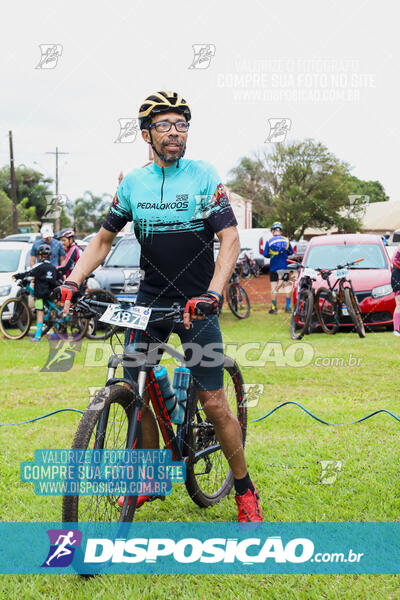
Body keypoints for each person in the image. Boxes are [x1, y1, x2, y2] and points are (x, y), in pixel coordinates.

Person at [55, 91, 262, 522]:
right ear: (146, 133)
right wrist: (74, 279)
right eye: (165, 125)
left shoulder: (203, 175)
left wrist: (213, 293)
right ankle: (149, 478)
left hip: (196, 301)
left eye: (182, 125)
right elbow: (104, 240)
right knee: (137, 391)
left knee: (214, 401)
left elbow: (229, 238)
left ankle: (244, 489)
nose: (175, 133)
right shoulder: (133, 183)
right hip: (149, 302)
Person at [13, 243, 58, 341]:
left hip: (40, 294)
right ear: (50, 256)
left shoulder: (38, 266)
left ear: (40, 256)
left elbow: (28, 273)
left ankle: (37, 336)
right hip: (51, 293)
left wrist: (17, 276)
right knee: (54, 312)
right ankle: (56, 333)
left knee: (40, 313)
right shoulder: (53, 267)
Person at [263, 222, 294, 314]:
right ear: (280, 231)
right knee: (287, 287)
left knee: (273, 287)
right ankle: (287, 308)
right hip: (284, 267)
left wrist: (272, 255)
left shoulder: (269, 241)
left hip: (273, 268)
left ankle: (274, 308)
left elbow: (265, 254)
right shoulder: (286, 240)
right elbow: (291, 252)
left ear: (273, 231)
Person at [391, 246, 400, 336]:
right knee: (399, 303)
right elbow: (394, 260)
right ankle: (396, 329)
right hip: (397, 276)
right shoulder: (399, 249)